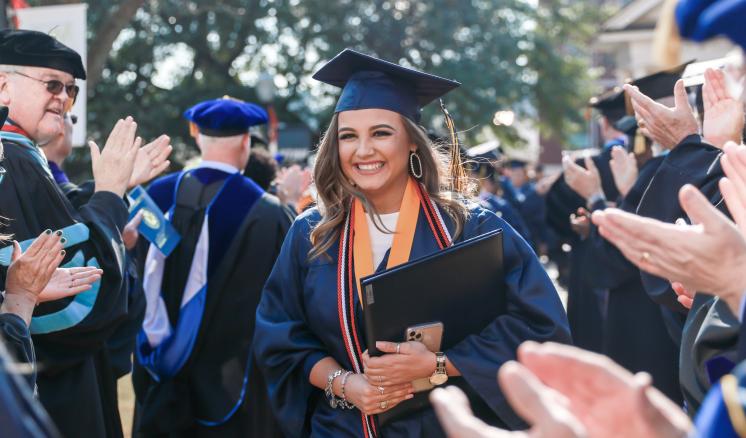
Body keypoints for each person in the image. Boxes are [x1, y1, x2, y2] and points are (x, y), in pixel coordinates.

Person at [253, 48, 571, 438]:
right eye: (348, 136)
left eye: (381, 133)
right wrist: (345, 384)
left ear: (413, 142)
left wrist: (440, 364)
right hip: (341, 428)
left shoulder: (468, 227)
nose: (363, 150)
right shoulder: (313, 233)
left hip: (442, 427)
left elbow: (540, 326)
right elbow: (280, 334)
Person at [0, 29, 147, 438]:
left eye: (70, 90)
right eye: (51, 84)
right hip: (50, 391)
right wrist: (111, 194)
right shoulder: (10, 160)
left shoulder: (24, 157)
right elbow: (83, 296)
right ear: (3, 86)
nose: (63, 99)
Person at [132, 97, 294, 437]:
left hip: (157, 383)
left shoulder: (152, 198)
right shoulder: (268, 212)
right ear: (247, 141)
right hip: (233, 387)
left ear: (196, 135)